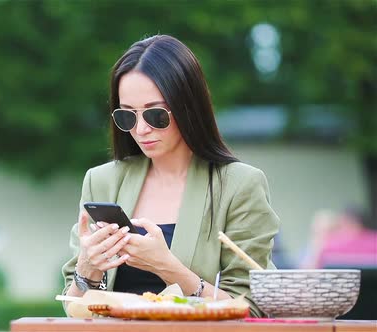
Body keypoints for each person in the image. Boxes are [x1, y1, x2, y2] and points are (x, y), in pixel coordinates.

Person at [61, 35, 279, 318]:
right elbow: (73, 308)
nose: (140, 130)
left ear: (188, 106)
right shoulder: (102, 181)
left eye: (156, 115)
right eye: (127, 116)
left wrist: (167, 267)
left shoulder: (239, 185)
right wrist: (86, 270)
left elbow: (251, 309)